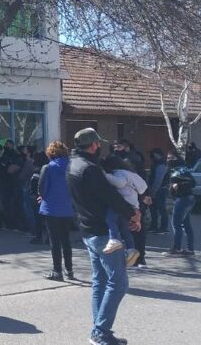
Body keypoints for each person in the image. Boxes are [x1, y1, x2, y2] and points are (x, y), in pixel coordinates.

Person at [66, 128, 139, 345]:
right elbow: (110, 197)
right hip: (103, 232)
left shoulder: (73, 164)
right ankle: (100, 331)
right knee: (119, 283)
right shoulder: (90, 168)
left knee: (101, 281)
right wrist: (132, 213)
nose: (100, 147)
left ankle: (99, 330)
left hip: (88, 230)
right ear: (93, 145)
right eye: (98, 144)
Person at [38, 141, 75, 281]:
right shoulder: (71, 167)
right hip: (67, 207)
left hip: (51, 208)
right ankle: (69, 269)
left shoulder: (48, 167)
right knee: (66, 240)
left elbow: (42, 188)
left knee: (54, 241)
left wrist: (42, 196)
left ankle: (57, 270)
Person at [101, 155, 145, 266]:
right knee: (125, 229)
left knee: (110, 218)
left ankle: (113, 238)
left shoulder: (119, 173)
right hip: (132, 204)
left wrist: (106, 175)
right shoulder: (130, 173)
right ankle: (131, 249)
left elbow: (119, 183)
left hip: (123, 203)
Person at [166, 154, 197, 256]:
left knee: (176, 223)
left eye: (171, 158)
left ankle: (177, 248)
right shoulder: (177, 170)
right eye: (168, 158)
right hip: (186, 198)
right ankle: (190, 249)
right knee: (186, 224)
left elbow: (193, 183)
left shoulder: (181, 170)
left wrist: (178, 185)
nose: (169, 160)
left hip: (183, 198)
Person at [147, 149, 169, 234]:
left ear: (157, 154)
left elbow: (158, 180)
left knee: (161, 209)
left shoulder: (161, 164)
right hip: (156, 189)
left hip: (160, 190)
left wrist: (153, 191)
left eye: (153, 154)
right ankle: (154, 226)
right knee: (153, 209)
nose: (151, 157)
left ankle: (163, 227)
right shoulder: (157, 163)